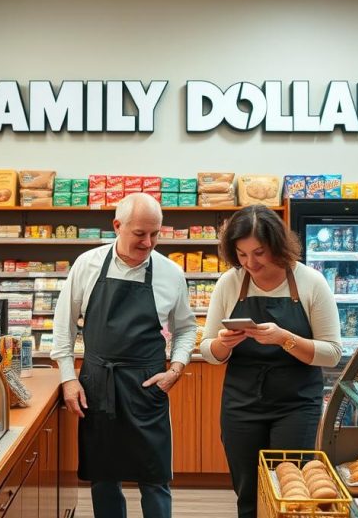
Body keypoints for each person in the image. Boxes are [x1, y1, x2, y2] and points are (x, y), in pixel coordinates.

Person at [51, 193, 198, 518]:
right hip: (97, 384)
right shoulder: (87, 265)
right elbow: (63, 327)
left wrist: (175, 368)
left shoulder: (170, 273)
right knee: (104, 478)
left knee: (155, 479)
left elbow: (187, 328)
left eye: (155, 234)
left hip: (148, 386)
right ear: (117, 226)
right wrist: (68, 379)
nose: (148, 243)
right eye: (140, 234)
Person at [199, 205, 342, 518]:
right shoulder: (230, 283)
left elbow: (332, 352)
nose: (251, 263)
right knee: (247, 491)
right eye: (242, 254)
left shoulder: (310, 282)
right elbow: (209, 352)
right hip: (241, 404)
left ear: (278, 245)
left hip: (296, 405)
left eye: (259, 252)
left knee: (290, 491)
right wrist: (223, 344)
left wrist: (283, 338)